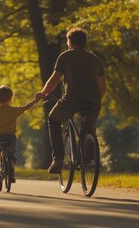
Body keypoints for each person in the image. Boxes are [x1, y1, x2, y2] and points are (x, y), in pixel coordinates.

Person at [35, 27, 106, 174]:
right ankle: (88, 156)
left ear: (69, 41)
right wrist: (94, 101)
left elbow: (53, 81)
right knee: (88, 129)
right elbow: (102, 87)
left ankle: (58, 160)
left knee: (53, 120)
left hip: (72, 100)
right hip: (93, 101)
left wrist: (42, 93)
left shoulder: (65, 56)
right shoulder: (96, 60)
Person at [0, 85, 39, 183]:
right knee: (11, 155)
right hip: (10, 137)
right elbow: (26, 107)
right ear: (10, 98)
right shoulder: (14, 110)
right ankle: (11, 174)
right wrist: (35, 100)